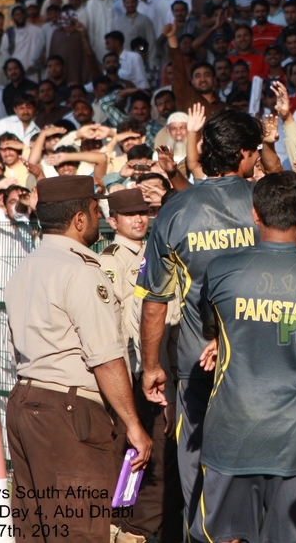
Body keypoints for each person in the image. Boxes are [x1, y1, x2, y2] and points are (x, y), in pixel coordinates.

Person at [136, 108, 296, 532]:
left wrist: (152, 367)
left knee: (203, 493)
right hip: (278, 372)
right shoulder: (271, 200)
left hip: (195, 368)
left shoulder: (176, 210)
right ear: (244, 154)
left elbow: (154, 301)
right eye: (256, 151)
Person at [191, 171, 296, 543]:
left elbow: (214, 326)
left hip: (233, 428)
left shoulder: (221, 269)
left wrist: (226, 338)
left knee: (223, 536)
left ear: (255, 215)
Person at [4, 176, 153, 541]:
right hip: (69, 411)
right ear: (80, 219)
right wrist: (133, 424)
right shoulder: (82, 271)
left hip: (25, 399)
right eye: (94, 207)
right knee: (78, 528)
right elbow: (105, 357)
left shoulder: (26, 266)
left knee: (35, 527)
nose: (99, 214)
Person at [98, 189, 182, 543]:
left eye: (143, 212)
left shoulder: (156, 255)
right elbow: (112, 323)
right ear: (112, 220)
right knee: (138, 456)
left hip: (160, 365)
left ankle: (147, 529)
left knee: (162, 456)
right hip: (131, 373)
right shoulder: (110, 261)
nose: (138, 219)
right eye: (129, 214)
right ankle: (132, 529)